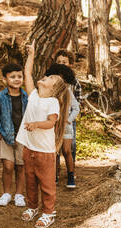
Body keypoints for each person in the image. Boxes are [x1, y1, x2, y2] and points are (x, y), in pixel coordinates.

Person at [17, 40, 71, 228]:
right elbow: (27, 74)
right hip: (29, 148)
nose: (45, 77)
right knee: (30, 181)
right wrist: (31, 55)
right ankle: (32, 207)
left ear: (53, 88)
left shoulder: (52, 102)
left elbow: (51, 122)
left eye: (50, 79)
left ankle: (49, 212)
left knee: (46, 184)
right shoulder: (33, 96)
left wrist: (36, 124)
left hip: (44, 151)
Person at [0, 63, 28, 207]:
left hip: (23, 136)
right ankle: (6, 193)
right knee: (8, 166)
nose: (16, 79)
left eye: (19, 76)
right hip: (6, 136)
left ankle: (19, 195)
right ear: (5, 80)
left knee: (21, 166)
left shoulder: (26, 96)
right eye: (12, 77)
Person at [54, 49, 82, 187]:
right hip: (54, 122)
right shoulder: (51, 81)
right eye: (58, 62)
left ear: (70, 63)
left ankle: (72, 172)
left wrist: (69, 118)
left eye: (64, 62)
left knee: (70, 147)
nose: (61, 64)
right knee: (54, 149)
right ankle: (55, 173)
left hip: (68, 121)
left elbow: (77, 104)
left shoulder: (73, 83)